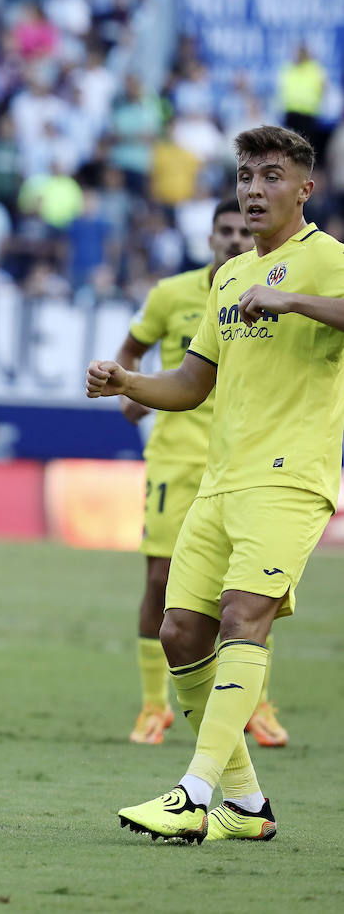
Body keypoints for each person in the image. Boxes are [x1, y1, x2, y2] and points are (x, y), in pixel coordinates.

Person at [87, 125, 344, 843]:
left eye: (269, 176)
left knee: (242, 617)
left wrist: (295, 302)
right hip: (220, 480)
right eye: (244, 177)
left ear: (303, 189)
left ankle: (194, 792)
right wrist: (127, 381)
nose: (254, 190)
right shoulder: (228, 279)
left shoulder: (326, 260)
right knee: (180, 631)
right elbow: (193, 382)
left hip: (290, 479)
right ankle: (247, 804)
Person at [112, 198, 287, 747]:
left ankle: (254, 704)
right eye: (225, 230)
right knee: (160, 581)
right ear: (210, 237)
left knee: (253, 591)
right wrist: (132, 390)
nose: (235, 238)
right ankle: (152, 706)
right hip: (178, 455)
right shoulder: (171, 294)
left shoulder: (267, 289)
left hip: (243, 456)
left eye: (241, 229)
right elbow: (132, 349)